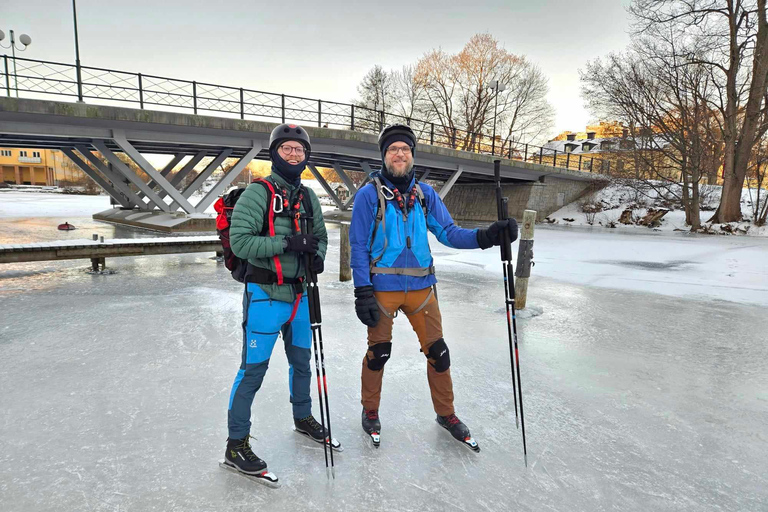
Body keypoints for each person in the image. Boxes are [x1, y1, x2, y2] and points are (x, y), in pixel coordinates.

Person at [349, 124, 518, 451]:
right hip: (383, 288)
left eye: (405, 149)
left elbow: (449, 233)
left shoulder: (425, 194)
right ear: (384, 156)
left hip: (423, 288)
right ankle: (370, 411)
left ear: (412, 155)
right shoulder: (369, 195)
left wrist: (487, 237)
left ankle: (447, 414)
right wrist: (362, 290)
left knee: (439, 354)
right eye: (393, 149)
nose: (400, 154)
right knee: (378, 353)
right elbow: (357, 247)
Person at [223, 123, 340, 476]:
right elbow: (241, 242)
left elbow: (319, 236)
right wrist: (288, 244)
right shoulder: (257, 194)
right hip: (264, 296)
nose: (293, 154)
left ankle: (302, 416)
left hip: (300, 297)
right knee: (253, 371)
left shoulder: (308, 197)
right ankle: (236, 444)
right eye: (287, 149)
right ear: (275, 154)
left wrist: (316, 254)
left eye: (299, 150)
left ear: (306, 157)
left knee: (302, 362)